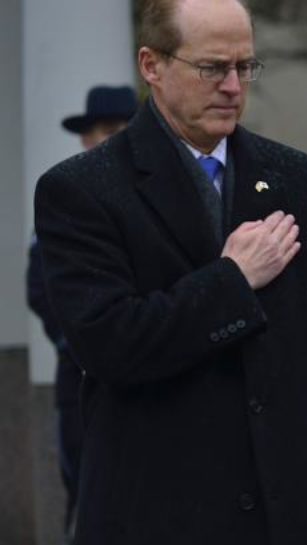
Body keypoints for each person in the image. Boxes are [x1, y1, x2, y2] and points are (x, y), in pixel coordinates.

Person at [32, 1, 307, 543]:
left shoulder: (302, 182)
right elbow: (109, 344)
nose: (232, 85)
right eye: (212, 67)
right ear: (151, 65)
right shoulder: (82, 191)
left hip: (289, 517)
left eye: (245, 67)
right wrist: (231, 281)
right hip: (158, 516)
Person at [26, 84, 137, 540]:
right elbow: (42, 288)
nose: (114, 141)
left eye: (123, 131)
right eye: (106, 131)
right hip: (83, 372)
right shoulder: (67, 196)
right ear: (86, 138)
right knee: (89, 490)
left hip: (152, 370)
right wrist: (88, 337)